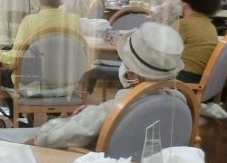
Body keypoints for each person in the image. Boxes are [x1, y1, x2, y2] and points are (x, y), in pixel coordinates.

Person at [34, 23, 186, 149]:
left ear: (133, 74)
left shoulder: (112, 109)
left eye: (124, 61)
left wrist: (68, 119)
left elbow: (45, 139)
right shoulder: (180, 103)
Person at [0, 0, 82, 87]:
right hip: (65, 84)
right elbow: (79, 55)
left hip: (35, 85)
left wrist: (0, 55)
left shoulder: (29, 22)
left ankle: (15, 100)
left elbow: (15, 57)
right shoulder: (74, 21)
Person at [175, 0, 220, 84]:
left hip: (182, 82)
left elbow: (160, 53)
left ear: (184, 0)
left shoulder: (184, 24)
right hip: (197, 81)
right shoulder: (210, 26)